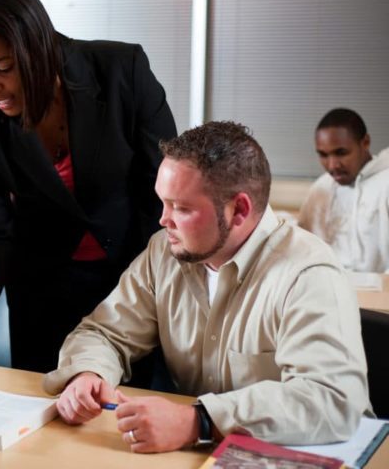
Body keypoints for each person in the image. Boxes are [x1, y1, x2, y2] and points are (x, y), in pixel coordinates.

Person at [43, 121, 371, 453]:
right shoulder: (165, 251)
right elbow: (105, 333)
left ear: (239, 210)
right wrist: (89, 373)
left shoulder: (308, 272)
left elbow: (332, 399)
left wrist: (197, 421)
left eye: (181, 208)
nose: (163, 219)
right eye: (163, 202)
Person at [0, 0, 177, 372]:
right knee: (43, 409)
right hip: (42, 290)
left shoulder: (121, 71)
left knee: (128, 412)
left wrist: (152, 283)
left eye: (4, 68)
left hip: (133, 281)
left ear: (38, 50)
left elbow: (163, 189)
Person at [298, 108, 389, 272]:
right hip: (329, 288)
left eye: (341, 153)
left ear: (365, 142)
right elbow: (304, 249)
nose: (332, 165)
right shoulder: (322, 187)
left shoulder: (385, 185)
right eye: (323, 155)